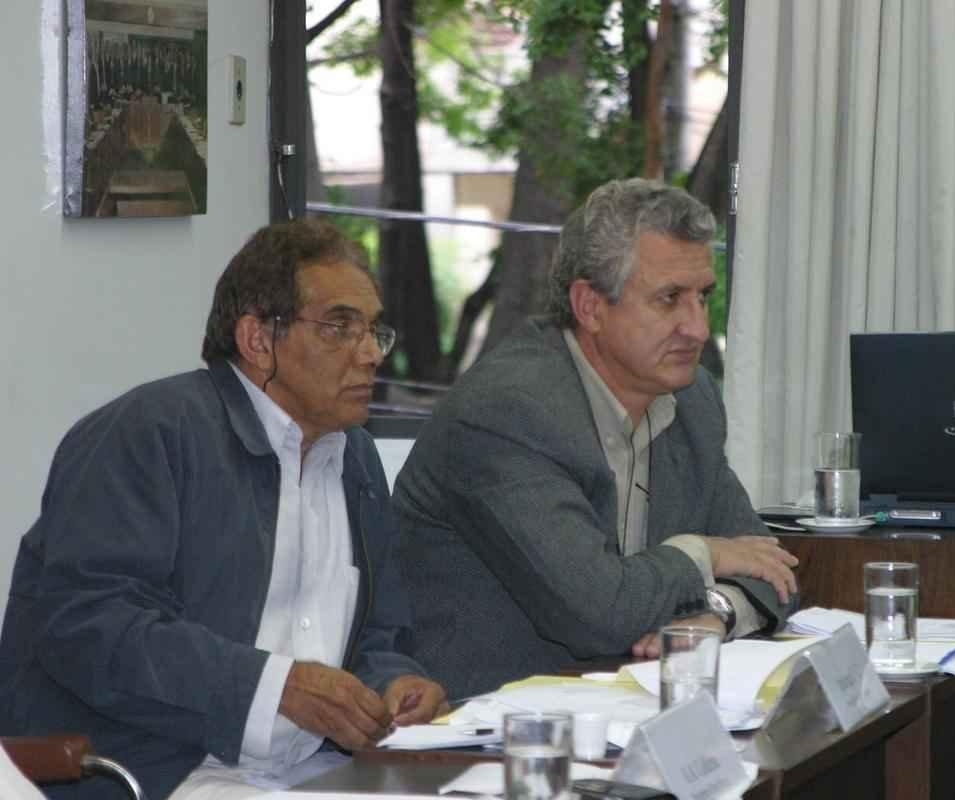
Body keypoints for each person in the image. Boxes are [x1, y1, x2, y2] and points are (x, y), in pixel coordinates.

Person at [0, 219, 446, 800]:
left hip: (309, 767)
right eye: (340, 327)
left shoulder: (353, 455)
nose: (369, 354)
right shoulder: (149, 435)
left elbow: (379, 631)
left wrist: (391, 682)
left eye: (374, 331)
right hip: (156, 766)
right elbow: (88, 625)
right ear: (259, 340)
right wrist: (275, 687)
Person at [394, 178, 800, 699]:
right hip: (481, 730)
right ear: (590, 306)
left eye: (703, 297)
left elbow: (770, 566)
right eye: (669, 299)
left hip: (621, 713)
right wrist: (703, 554)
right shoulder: (509, 412)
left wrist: (715, 614)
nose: (697, 329)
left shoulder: (692, 399)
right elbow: (598, 613)